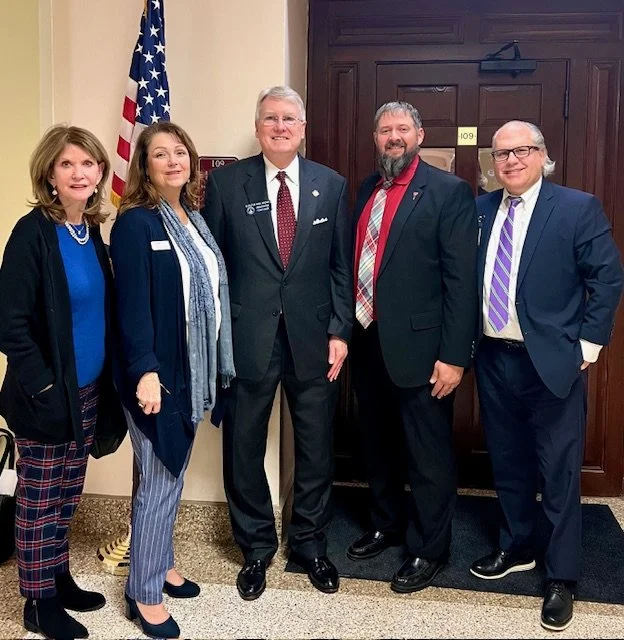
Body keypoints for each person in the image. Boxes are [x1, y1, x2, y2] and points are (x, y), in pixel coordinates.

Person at [470, 120, 623, 631]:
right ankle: (517, 546)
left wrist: (587, 346)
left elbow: (606, 277)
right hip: (494, 359)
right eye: (501, 154)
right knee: (508, 463)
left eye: (521, 151)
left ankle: (561, 577)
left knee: (558, 472)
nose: (510, 161)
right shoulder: (481, 209)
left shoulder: (577, 208)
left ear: (542, 155)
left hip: (553, 362)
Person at [202, 85, 353, 599]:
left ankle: (310, 545)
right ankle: (256, 548)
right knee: (243, 443)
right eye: (271, 119)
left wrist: (340, 329)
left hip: (314, 338)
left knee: (314, 446)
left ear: (303, 127)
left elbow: (340, 267)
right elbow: (214, 268)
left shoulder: (330, 186)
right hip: (248, 336)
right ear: (258, 126)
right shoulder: (225, 185)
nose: (280, 126)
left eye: (289, 118)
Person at [346, 101, 478, 593]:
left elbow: (461, 283)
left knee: (427, 454)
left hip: (425, 351)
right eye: (385, 130)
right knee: (376, 443)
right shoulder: (365, 189)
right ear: (375, 137)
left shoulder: (448, 192)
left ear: (420, 135)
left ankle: (429, 548)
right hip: (368, 340)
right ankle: (385, 523)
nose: (393, 137)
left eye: (403, 129)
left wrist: (454, 356)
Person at [110, 121, 235, 639]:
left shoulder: (195, 220)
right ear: (144, 165)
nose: (172, 161)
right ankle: (144, 592)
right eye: (160, 154)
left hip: (191, 366)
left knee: (171, 472)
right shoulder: (136, 223)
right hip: (154, 371)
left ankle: (158, 562)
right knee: (161, 475)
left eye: (180, 151)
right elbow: (132, 306)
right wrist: (146, 371)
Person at [0, 124, 124, 639]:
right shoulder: (33, 233)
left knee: (68, 493)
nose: (79, 173)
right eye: (67, 164)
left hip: (88, 391)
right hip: (46, 395)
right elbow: (9, 324)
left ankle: (56, 574)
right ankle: (37, 601)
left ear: (100, 174)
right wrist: (47, 389)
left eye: (88, 164)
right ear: (50, 174)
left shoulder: (89, 232)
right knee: (39, 496)